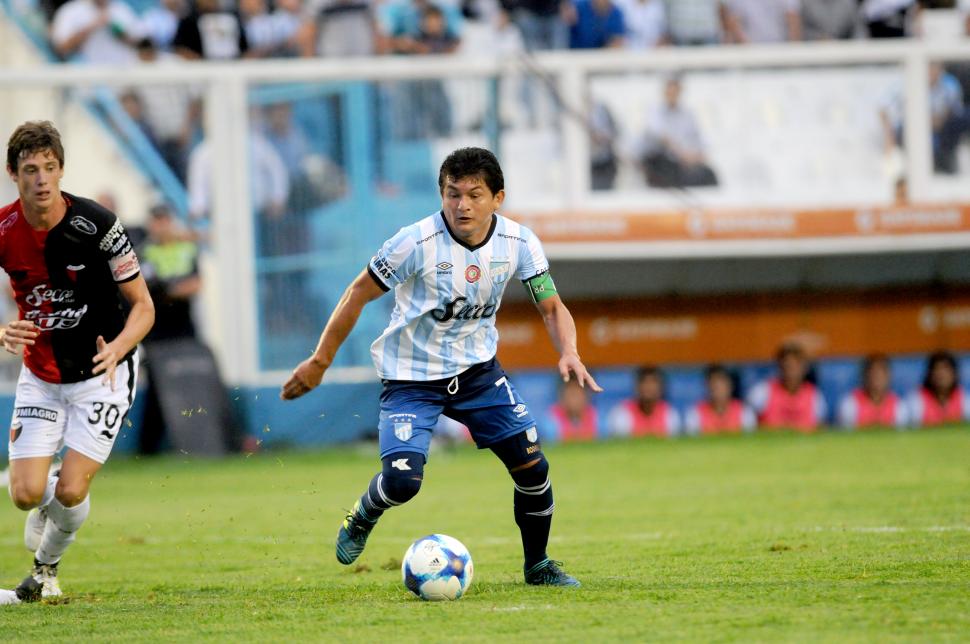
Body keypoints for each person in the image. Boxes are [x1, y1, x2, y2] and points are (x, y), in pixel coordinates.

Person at [281, 147, 600, 587]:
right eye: (452, 194)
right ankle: (363, 514)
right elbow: (357, 293)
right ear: (441, 194)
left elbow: (551, 306)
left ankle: (538, 564)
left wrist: (569, 350)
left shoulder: (520, 243)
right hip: (411, 377)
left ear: (497, 198)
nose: (462, 205)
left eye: (474, 194)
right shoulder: (414, 242)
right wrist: (320, 362)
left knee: (533, 467)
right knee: (403, 482)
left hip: (478, 375)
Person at [0, 121, 154, 605]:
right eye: (30, 170)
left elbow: (144, 306)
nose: (41, 179)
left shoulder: (100, 225)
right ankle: (43, 499)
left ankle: (45, 572)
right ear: (13, 174)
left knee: (70, 491)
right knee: (25, 494)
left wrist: (120, 347)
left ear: (61, 169)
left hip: (101, 376)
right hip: (42, 377)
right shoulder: (4, 230)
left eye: (49, 168)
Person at [639, 74, 718, 188]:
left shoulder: (687, 114)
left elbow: (699, 139)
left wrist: (696, 156)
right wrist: (683, 155)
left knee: (708, 175)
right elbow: (662, 138)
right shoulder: (655, 111)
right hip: (664, 162)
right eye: (670, 90)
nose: (673, 94)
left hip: (684, 163)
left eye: (675, 90)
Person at [747, 343, 827, 432]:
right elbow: (750, 427)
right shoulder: (762, 392)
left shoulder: (815, 396)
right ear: (780, 366)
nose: (791, 370)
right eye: (788, 365)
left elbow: (820, 430)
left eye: (796, 365)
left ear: (804, 368)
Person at [605, 365, 681, 437]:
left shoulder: (670, 413)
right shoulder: (622, 413)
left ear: (661, 387)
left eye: (653, 382)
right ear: (637, 386)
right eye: (645, 382)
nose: (649, 387)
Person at [838, 354, 908, 429]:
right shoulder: (850, 403)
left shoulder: (899, 405)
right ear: (865, 375)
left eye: (882, 373)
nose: (878, 378)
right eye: (874, 373)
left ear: (889, 376)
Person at [684, 364, 756, 435]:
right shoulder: (695, 413)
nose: (719, 391)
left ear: (730, 386)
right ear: (707, 386)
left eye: (722, 385)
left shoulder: (744, 411)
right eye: (715, 386)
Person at [906, 350, 970, 427]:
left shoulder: (965, 400)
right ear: (929, 374)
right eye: (937, 369)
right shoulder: (915, 400)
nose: (941, 375)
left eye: (946, 369)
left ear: (955, 373)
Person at [546, 377, 599, 441]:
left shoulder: (593, 414)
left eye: (578, 394)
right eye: (572, 394)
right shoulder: (551, 418)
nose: (575, 400)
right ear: (562, 396)